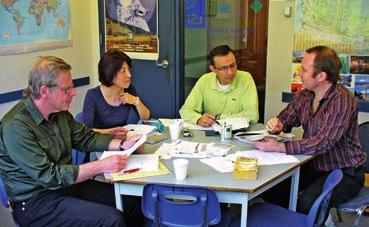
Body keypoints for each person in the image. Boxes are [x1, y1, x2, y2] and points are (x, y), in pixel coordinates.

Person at [0, 56, 143, 226]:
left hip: (66, 187)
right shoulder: (16, 127)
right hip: (36, 202)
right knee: (112, 220)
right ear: (45, 91)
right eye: (67, 89)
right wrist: (101, 165)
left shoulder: (59, 113)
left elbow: (85, 137)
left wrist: (120, 144)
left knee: (132, 201)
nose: (73, 93)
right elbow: (49, 176)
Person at [253, 45, 367, 214]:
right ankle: (301, 218)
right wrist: (277, 125)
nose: (299, 73)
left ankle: (309, 218)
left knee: (307, 203)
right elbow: (285, 120)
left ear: (321, 76)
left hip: (345, 171)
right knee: (269, 187)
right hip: (312, 164)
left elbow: (323, 143)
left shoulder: (343, 101)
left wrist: (280, 147)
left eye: (304, 70)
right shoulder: (305, 95)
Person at [179, 45, 259, 127]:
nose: (230, 72)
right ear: (213, 69)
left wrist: (219, 118)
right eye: (224, 68)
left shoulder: (245, 78)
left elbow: (252, 116)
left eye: (232, 66)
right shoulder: (205, 80)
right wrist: (198, 119)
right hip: (210, 133)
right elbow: (185, 110)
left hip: (237, 133)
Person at [82, 49, 150, 140]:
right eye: (123, 71)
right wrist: (111, 133)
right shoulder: (93, 95)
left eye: (128, 70)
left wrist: (136, 101)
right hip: (98, 143)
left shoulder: (129, 89)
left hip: (122, 142)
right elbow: (85, 131)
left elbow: (146, 118)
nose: (129, 75)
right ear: (110, 73)